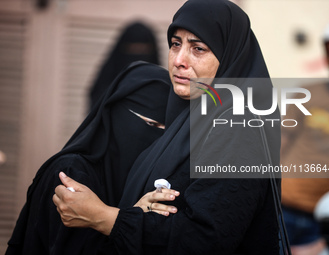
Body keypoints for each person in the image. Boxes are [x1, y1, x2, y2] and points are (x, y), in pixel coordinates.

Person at [53, 0, 283, 254]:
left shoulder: (239, 130)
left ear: (230, 57)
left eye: (198, 48)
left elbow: (203, 239)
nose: (179, 60)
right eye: (175, 44)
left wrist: (103, 217)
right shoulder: (185, 120)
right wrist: (137, 212)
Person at [5, 61, 172, 255]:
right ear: (117, 115)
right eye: (151, 124)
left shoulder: (148, 181)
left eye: (165, 132)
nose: (156, 139)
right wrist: (127, 223)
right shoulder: (71, 173)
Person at [281, 19, 329, 255]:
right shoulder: (308, 93)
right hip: (282, 207)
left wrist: (326, 241)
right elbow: (279, 141)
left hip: (326, 218)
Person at [89, 21, 160, 110]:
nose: (138, 57)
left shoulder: (162, 90)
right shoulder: (104, 89)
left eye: (143, 50)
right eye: (132, 49)